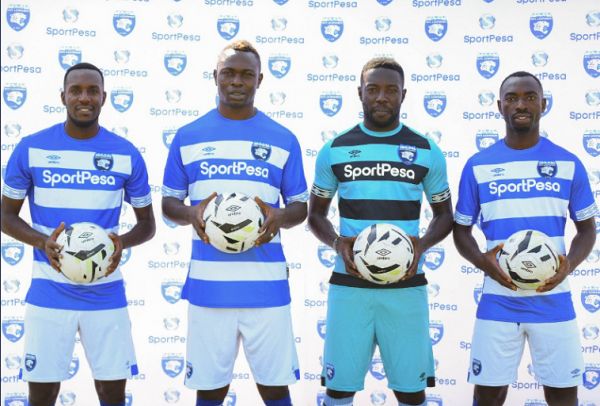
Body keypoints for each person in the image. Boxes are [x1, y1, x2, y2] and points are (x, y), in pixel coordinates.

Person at [161, 40, 308, 406]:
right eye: (228, 72)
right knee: (210, 390)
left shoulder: (283, 139)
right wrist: (191, 214)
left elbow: (300, 207)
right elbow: (167, 204)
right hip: (209, 289)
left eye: (246, 74)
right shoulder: (188, 136)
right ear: (215, 77)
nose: (237, 81)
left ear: (260, 80)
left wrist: (279, 217)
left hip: (267, 287)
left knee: (275, 389)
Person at [1, 62, 156, 406]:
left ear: (104, 97)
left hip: (106, 293)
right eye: (76, 90)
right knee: (42, 394)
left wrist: (121, 243)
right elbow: (6, 216)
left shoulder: (125, 154)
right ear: (63, 96)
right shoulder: (31, 148)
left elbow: (148, 225)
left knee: (112, 394)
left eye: (92, 91)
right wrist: (41, 242)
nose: (84, 97)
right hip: (48, 291)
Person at [307, 57, 454, 406]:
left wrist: (421, 245)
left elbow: (444, 216)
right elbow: (315, 215)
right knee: (339, 388)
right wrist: (336, 241)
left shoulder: (426, 150)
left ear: (404, 95)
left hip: (406, 287)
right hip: (349, 287)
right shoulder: (335, 149)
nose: (382, 97)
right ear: (360, 93)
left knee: (410, 390)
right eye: (373, 89)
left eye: (391, 90)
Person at [453, 71, 598, 406]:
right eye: (513, 97)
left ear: (543, 105)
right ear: (499, 106)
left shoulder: (568, 163)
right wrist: (484, 264)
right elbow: (461, 231)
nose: (521, 104)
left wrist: (568, 266)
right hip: (498, 301)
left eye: (530, 97)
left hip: (554, 301)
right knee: (488, 396)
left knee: (563, 397)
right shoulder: (479, 165)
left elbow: (587, 229)